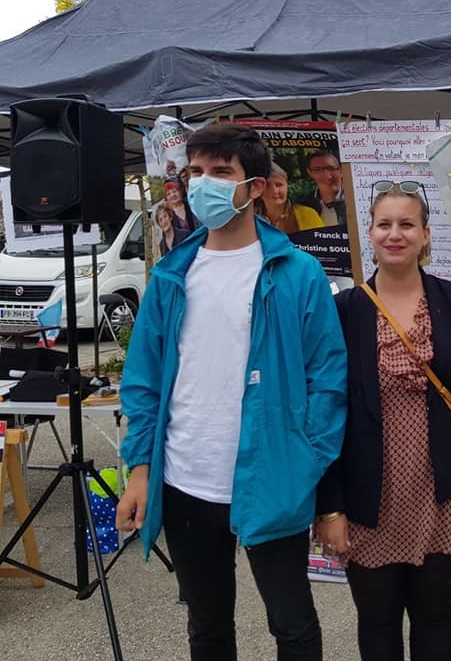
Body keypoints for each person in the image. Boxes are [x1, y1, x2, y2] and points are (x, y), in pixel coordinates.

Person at [117, 123, 347, 661]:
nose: (204, 184)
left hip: (273, 479)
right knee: (208, 628)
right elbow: (144, 382)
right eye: (197, 172)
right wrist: (141, 471)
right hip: (186, 483)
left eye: (221, 173)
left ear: (257, 187)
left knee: (292, 626)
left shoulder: (298, 273)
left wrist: (304, 461)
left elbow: (329, 381)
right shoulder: (172, 274)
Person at [316, 179, 451, 661]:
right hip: (367, 495)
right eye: (384, 224)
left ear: (425, 234)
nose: (394, 234)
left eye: (407, 224)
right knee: (376, 622)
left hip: (443, 489)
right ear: (370, 233)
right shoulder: (345, 310)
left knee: (436, 615)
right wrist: (329, 507)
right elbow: (327, 415)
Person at [256, 161, 324, 233]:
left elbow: (322, 243)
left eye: (279, 185)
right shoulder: (249, 218)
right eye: (267, 185)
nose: (275, 191)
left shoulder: (308, 215)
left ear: (287, 187)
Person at [305, 150, 347, 226]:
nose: (327, 176)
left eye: (330, 168)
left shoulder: (355, 200)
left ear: (341, 170)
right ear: (310, 173)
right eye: (318, 170)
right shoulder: (306, 205)